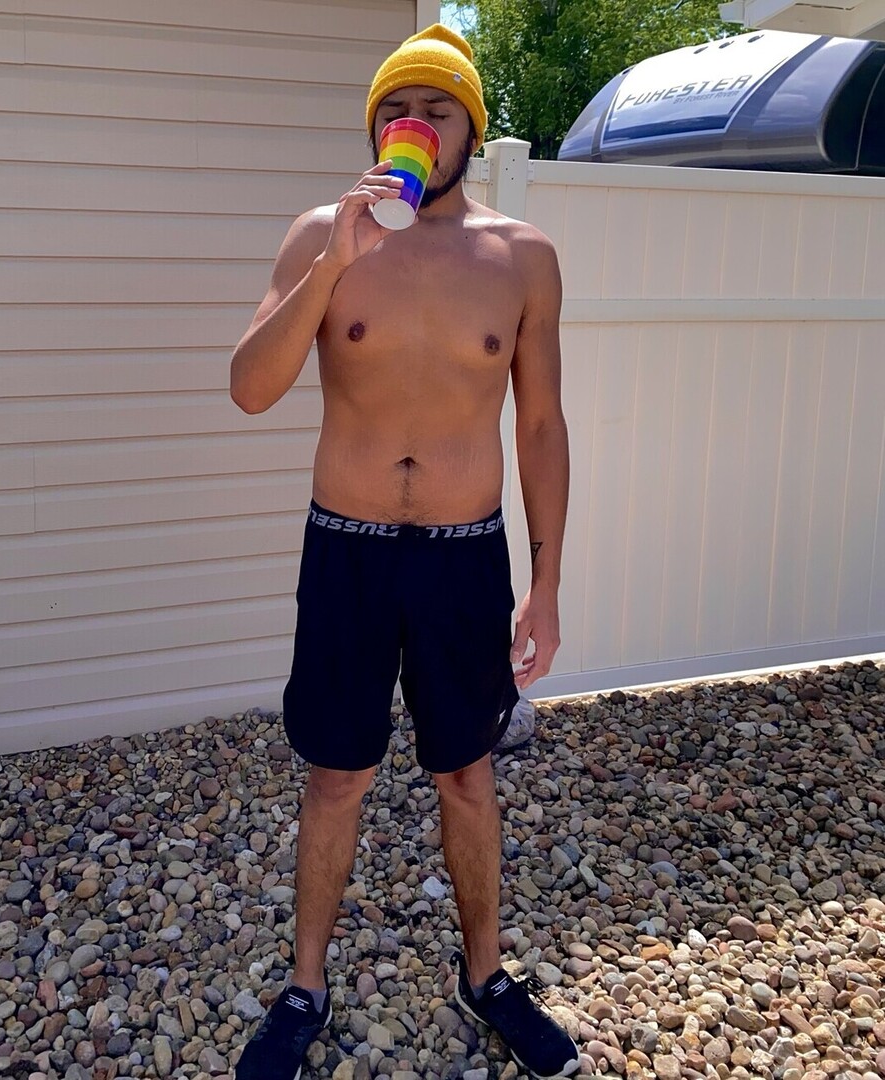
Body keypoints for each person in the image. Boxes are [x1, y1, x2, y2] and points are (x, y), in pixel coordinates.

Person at [229, 24, 579, 1080]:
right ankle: (305, 986)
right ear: (373, 128)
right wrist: (335, 261)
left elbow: (542, 426)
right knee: (337, 776)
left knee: (467, 773)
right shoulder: (320, 235)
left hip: (465, 558)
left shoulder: (522, 257)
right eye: (395, 110)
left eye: (436, 109)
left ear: (471, 129)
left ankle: (487, 977)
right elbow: (249, 388)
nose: (413, 124)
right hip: (347, 550)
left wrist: (546, 584)